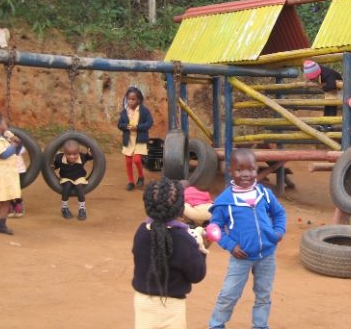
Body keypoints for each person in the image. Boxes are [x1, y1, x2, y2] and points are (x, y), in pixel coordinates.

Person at [208, 148, 287, 329]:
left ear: (256, 171)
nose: (246, 174)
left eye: (251, 169)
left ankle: (260, 325)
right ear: (230, 171)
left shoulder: (265, 194)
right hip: (240, 258)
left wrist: (279, 231)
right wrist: (230, 245)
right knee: (229, 294)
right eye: (239, 169)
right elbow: (215, 227)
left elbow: (279, 213)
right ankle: (216, 325)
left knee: (264, 295)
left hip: (267, 255)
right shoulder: (225, 200)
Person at [132, 178, 207, 329]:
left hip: (142, 302)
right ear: (181, 209)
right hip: (172, 306)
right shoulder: (184, 239)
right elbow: (197, 275)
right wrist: (200, 248)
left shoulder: (141, 231)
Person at [118, 87, 154, 191]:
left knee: (137, 159)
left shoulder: (144, 111)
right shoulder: (124, 112)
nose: (130, 101)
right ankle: (131, 182)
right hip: (128, 139)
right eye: (129, 99)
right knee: (128, 161)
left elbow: (149, 123)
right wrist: (126, 126)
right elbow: (119, 125)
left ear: (139, 100)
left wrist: (137, 127)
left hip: (140, 138)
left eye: (133, 99)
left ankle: (141, 176)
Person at [52, 140, 93, 220]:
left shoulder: (82, 157)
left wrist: (90, 153)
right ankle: (64, 208)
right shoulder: (60, 158)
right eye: (69, 154)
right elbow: (55, 165)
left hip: (79, 177)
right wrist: (52, 166)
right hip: (66, 177)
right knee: (67, 186)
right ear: (64, 153)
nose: (72, 156)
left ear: (79, 152)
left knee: (79, 187)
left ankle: (82, 209)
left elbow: (88, 157)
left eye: (75, 154)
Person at [7, 136, 26, 218]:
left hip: (19, 171)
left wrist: (15, 143)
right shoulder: (1, 145)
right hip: (7, 171)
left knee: (16, 189)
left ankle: (19, 202)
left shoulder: (19, 146)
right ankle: (11, 203)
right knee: (8, 188)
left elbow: (22, 149)